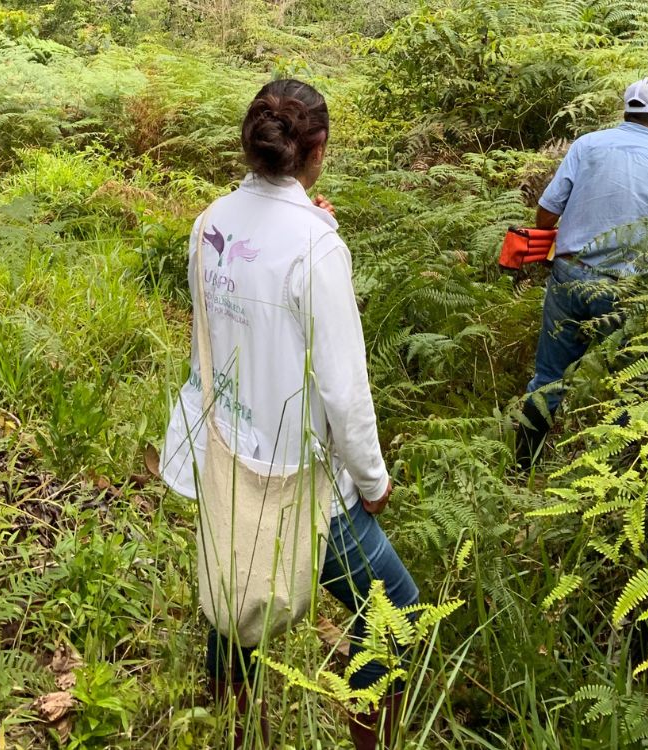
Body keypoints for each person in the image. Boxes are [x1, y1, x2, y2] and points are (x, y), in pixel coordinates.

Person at [159, 79, 419, 749]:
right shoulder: (317, 249)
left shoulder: (212, 220)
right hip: (300, 479)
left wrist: (315, 223)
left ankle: (234, 723)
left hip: (225, 448)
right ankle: (369, 739)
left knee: (233, 595)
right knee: (394, 608)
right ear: (318, 149)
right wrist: (373, 480)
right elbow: (343, 388)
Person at [516, 77, 648, 467]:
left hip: (568, 275)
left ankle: (521, 468)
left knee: (548, 378)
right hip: (628, 291)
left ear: (626, 112)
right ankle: (613, 477)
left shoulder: (586, 146)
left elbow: (547, 213)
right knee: (630, 383)